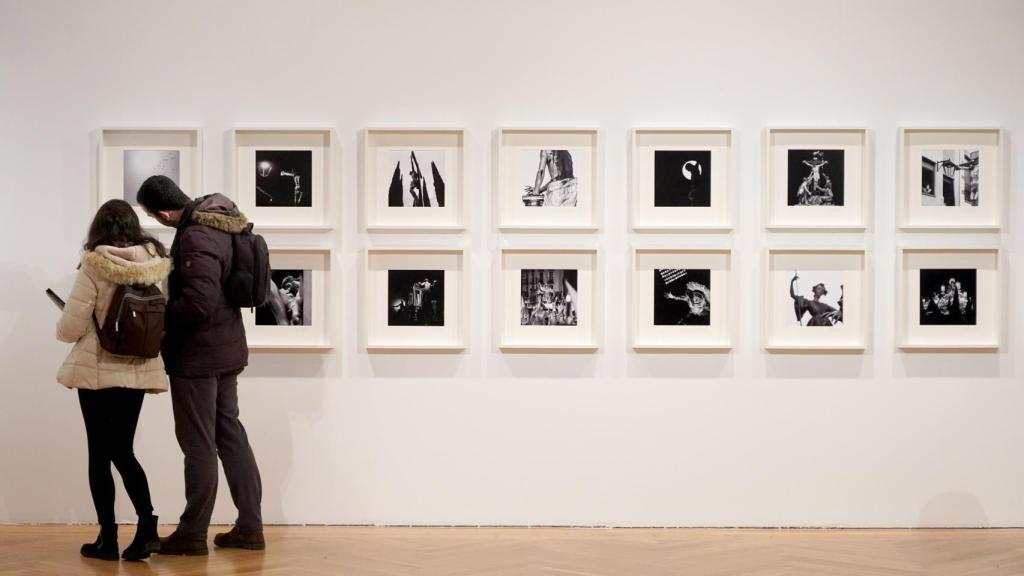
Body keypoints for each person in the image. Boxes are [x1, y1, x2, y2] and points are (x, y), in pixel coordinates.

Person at [135, 175, 265, 555]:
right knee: (229, 435)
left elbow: (198, 303)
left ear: (160, 212)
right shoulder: (220, 222)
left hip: (199, 355)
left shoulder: (195, 235)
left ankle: (192, 534)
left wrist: (156, 316)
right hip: (226, 349)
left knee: (199, 443)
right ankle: (250, 527)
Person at [56, 199, 172, 562]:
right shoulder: (155, 265)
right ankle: (148, 526)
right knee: (124, 450)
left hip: (98, 371)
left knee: (99, 454)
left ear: (99, 228)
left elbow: (71, 327)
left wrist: (64, 325)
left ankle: (108, 539)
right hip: (137, 369)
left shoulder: (94, 264)